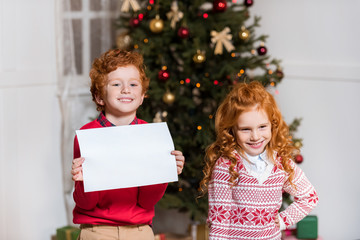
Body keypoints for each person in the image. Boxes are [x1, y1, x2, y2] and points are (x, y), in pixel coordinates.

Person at [70, 49, 185, 240]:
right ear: (99, 97)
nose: (126, 89)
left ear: (141, 96)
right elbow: (87, 204)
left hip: (140, 231)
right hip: (97, 230)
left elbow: (147, 201)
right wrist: (82, 181)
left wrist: (164, 170)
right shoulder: (87, 136)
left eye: (133, 84)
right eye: (116, 84)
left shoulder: (150, 135)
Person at [200, 81, 318, 240]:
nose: (255, 136)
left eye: (262, 127)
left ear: (272, 125)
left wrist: (284, 220)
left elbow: (309, 196)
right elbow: (219, 221)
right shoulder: (226, 166)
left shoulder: (281, 164)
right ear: (232, 130)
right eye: (245, 129)